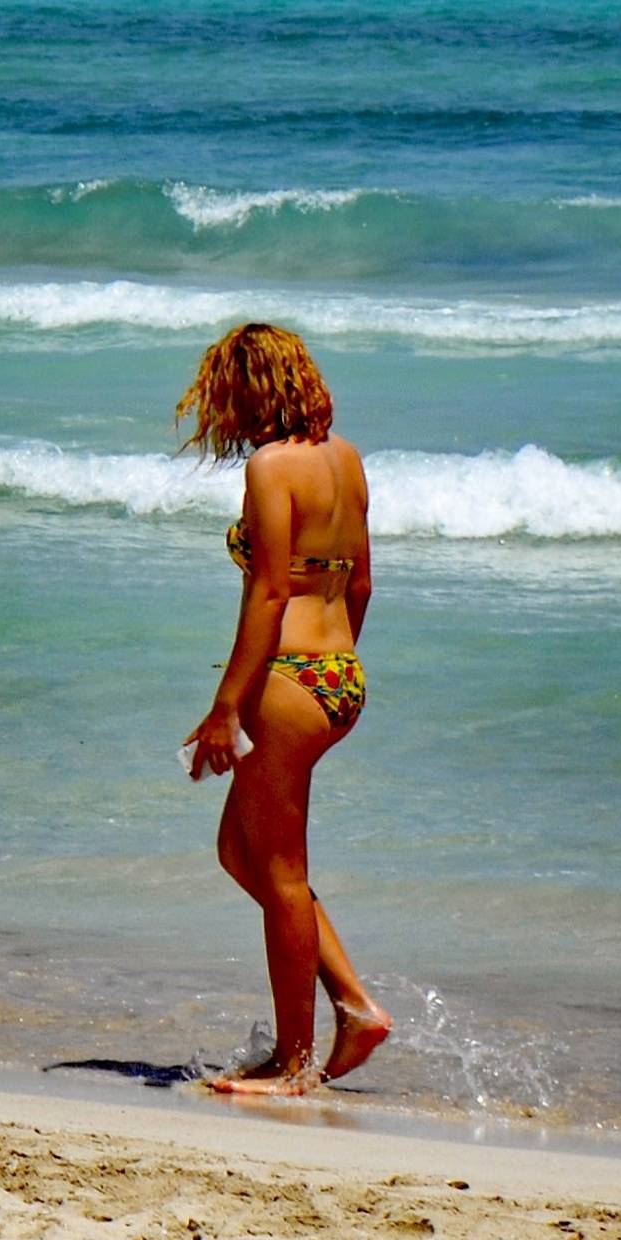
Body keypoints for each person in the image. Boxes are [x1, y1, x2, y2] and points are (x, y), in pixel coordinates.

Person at [177, 322, 393, 1099]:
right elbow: (360, 584)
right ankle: (353, 1005)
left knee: (281, 870)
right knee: (242, 850)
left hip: (291, 677)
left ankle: (295, 1062)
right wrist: (331, 677)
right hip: (339, 677)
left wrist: (226, 706)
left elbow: (269, 593)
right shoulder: (347, 460)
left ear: (249, 390)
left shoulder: (272, 468)